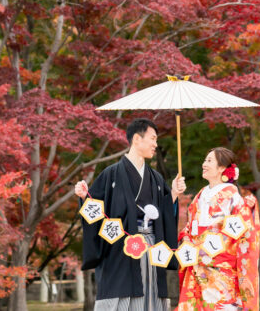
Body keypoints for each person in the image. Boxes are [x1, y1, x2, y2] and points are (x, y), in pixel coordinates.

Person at [75, 118, 187, 311]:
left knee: (150, 296)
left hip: (151, 247)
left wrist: (174, 194)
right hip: (121, 247)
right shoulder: (110, 174)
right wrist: (85, 196)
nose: (155, 144)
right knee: (120, 294)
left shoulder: (156, 178)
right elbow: (94, 212)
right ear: (137, 138)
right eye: (152, 139)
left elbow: (165, 212)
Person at [177, 147, 260, 311]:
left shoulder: (234, 198)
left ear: (222, 168)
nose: (204, 164)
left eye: (209, 161)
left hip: (220, 267)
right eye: (204, 160)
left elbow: (238, 235)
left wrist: (204, 250)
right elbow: (190, 226)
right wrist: (187, 240)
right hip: (196, 265)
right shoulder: (201, 194)